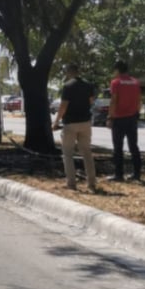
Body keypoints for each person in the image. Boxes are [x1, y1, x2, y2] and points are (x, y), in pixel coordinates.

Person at [54, 63, 98, 193]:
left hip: (70, 123)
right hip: (85, 122)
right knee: (87, 153)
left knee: (67, 154)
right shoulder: (88, 85)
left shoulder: (68, 86)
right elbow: (90, 101)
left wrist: (56, 122)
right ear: (78, 72)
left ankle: (71, 184)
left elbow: (63, 106)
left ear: (68, 72)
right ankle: (91, 184)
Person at [106, 60, 142, 182]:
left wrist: (110, 117)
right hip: (132, 118)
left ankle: (119, 175)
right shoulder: (135, 82)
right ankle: (137, 174)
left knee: (118, 148)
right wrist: (136, 113)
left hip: (118, 119)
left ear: (117, 70)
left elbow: (113, 101)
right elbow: (139, 100)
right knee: (134, 147)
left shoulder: (115, 82)